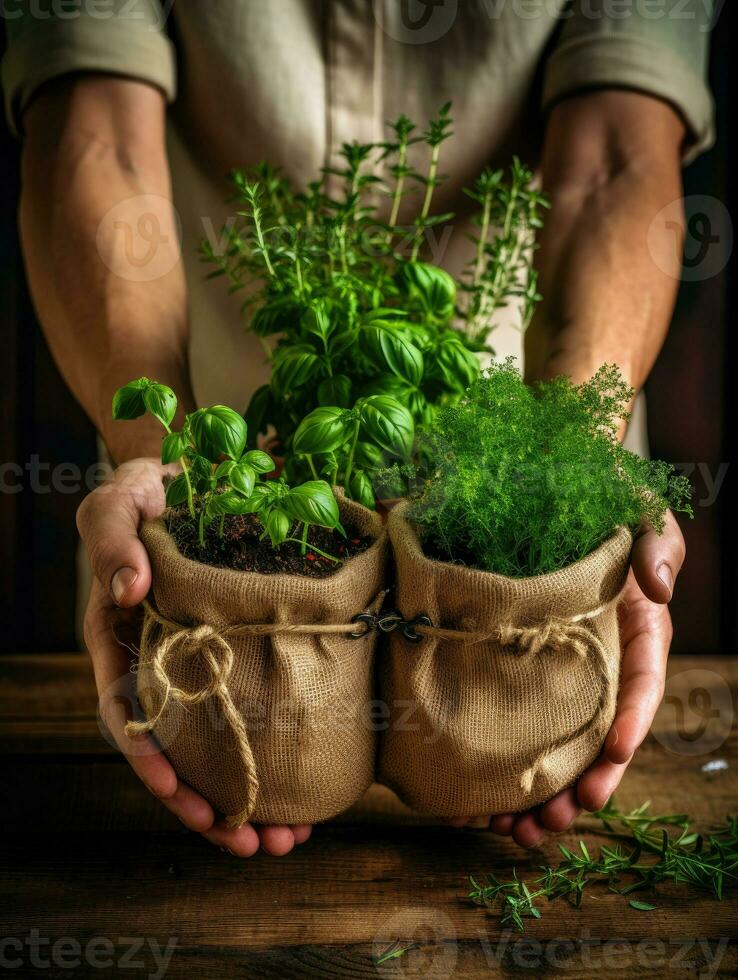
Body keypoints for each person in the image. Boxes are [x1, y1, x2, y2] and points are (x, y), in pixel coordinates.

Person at [3, 0, 711, 857]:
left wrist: (576, 458)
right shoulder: (220, 457)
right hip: (208, 436)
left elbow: (618, 156)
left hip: (515, 427)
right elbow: (94, 134)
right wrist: (156, 455)